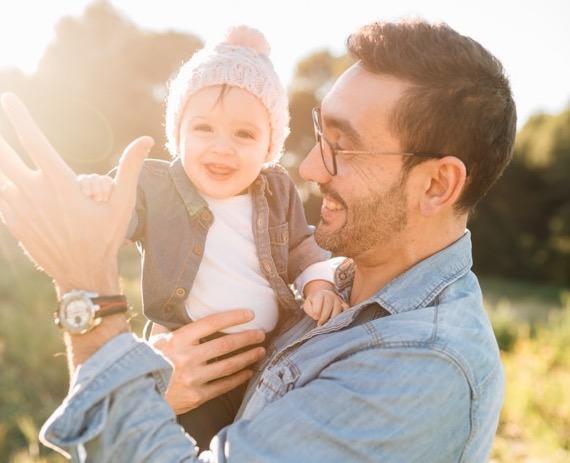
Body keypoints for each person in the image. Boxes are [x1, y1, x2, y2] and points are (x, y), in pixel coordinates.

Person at [0, 18, 516, 462]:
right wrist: (158, 389)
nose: (310, 168)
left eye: (343, 148)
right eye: (319, 136)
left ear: (436, 184)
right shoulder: (344, 277)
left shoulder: (420, 367)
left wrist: (86, 288)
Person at [76, 25, 346, 448]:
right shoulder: (156, 186)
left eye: (245, 134)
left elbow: (300, 244)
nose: (223, 148)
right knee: (190, 443)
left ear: (269, 146)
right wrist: (99, 195)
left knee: (262, 444)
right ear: (178, 133)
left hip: (266, 360)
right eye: (204, 129)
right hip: (190, 359)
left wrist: (318, 282)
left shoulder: (276, 190)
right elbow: (114, 220)